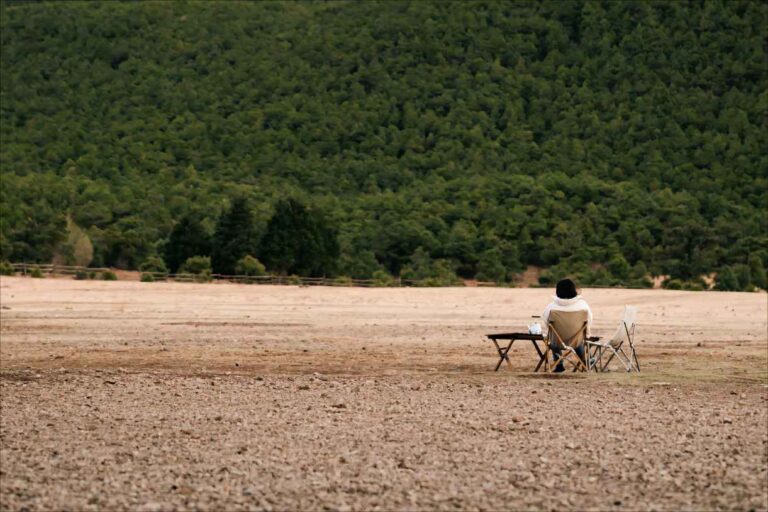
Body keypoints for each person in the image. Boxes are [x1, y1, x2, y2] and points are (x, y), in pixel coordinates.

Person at [541, 278, 593, 372]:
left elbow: (545, 322)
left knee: (554, 337)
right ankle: (586, 360)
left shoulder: (551, 307)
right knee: (578, 338)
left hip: (556, 342)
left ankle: (559, 365)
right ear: (573, 290)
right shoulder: (582, 305)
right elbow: (589, 320)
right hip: (577, 342)